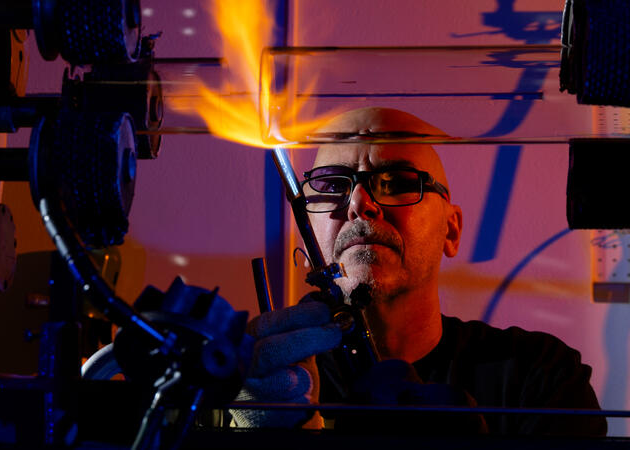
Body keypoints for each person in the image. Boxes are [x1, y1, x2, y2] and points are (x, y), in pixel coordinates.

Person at [230, 107, 606, 436]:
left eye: (396, 182)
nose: (360, 204)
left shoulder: (539, 377)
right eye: (331, 185)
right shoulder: (280, 384)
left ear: (451, 230)